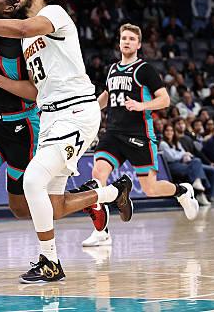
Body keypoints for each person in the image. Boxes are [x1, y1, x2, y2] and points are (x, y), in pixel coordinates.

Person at [0, 0, 131, 283]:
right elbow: (30, 82)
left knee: (32, 182)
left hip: (75, 112)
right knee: (52, 206)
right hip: (50, 118)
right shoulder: (26, 40)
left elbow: (20, 28)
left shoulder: (54, 14)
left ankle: (50, 262)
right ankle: (113, 193)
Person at [77, 24, 198, 247]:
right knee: (98, 174)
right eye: (124, 38)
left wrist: (142, 105)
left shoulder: (145, 70)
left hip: (139, 135)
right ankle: (101, 232)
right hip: (113, 133)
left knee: (151, 189)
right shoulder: (112, 69)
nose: (127, 41)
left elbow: (164, 100)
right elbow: (107, 95)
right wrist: (90, 109)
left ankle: (182, 191)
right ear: (119, 42)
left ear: (139, 44)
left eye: (132, 39)